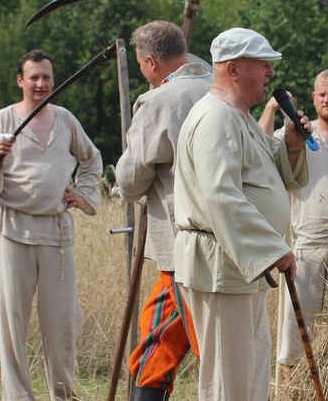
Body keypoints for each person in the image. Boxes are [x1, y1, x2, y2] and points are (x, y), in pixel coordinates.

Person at [173, 27, 312, 400]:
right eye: (263, 65)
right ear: (233, 70)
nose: (270, 74)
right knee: (228, 381)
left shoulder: (240, 116)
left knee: (249, 376)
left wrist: (292, 145)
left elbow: (265, 173)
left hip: (242, 266)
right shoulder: (216, 118)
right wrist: (274, 249)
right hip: (222, 266)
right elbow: (222, 196)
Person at [0, 49, 102, 401]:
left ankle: (63, 394)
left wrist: (83, 195)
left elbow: (92, 159)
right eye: (33, 77)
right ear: (20, 81)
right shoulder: (3, 119)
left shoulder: (65, 119)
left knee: (62, 321)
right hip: (12, 230)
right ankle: (17, 397)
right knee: (13, 320)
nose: (41, 83)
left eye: (46, 76)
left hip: (56, 233)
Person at [115, 20, 212, 401]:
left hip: (184, 241)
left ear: (151, 62)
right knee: (157, 333)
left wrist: (124, 181)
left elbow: (131, 179)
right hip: (207, 241)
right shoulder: (216, 86)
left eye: (141, 66)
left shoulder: (160, 101)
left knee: (212, 343)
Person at [258, 69, 328, 380]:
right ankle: (292, 392)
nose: (327, 99)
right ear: (313, 98)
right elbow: (261, 150)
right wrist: (272, 108)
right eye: (322, 94)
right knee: (294, 341)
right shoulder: (299, 133)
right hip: (306, 247)